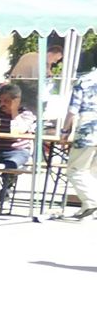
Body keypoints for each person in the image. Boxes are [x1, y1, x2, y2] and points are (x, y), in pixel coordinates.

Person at [63, 57, 97, 221]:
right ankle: (89, 207)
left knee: (75, 169)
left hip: (87, 129)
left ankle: (91, 202)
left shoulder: (84, 80)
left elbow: (73, 109)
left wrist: (65, 130)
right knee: (92, 172)